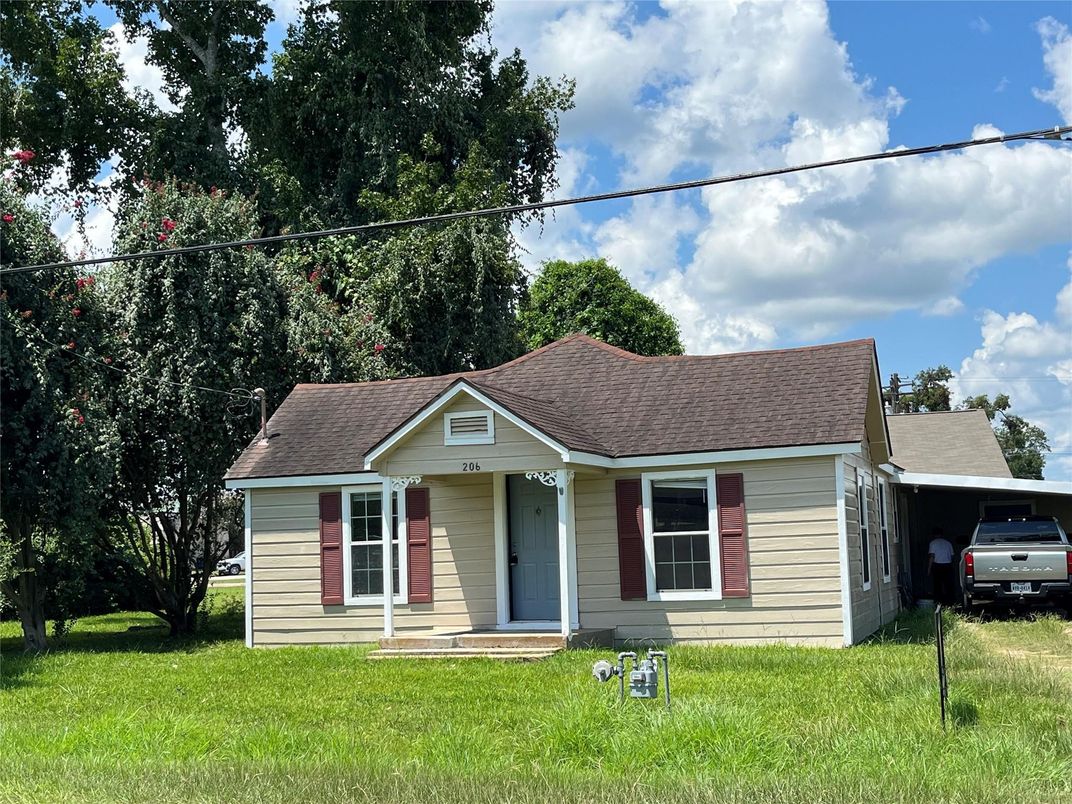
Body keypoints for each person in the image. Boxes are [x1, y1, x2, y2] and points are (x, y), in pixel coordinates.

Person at [928, 527, 956, 605]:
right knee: (948, 585)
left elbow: (932, 557)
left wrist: (929, 569)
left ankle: (938, 602)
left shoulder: (933, 543)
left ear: (933, 534)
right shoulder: (948, 543)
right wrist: (952, 567)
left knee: (937, 585)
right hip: (948, 566)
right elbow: (952, 557)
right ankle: (950, 602)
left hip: (937, 566)